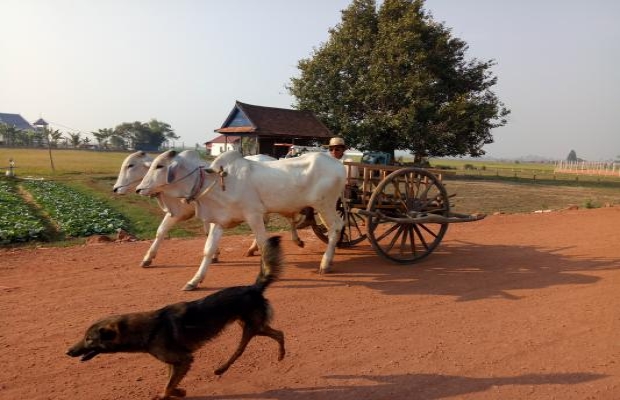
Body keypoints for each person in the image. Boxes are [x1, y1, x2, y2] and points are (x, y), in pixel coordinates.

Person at [296, 137, 357, 229]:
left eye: (337, 149)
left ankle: (332, 225)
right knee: (310, 192)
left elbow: (351, 180)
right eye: (331, 149)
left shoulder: (348, 162)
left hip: (345, 190)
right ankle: (309, 217)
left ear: (343, 149)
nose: (334, 151)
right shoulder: (328, 160)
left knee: (322, 200)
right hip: (330, 189)